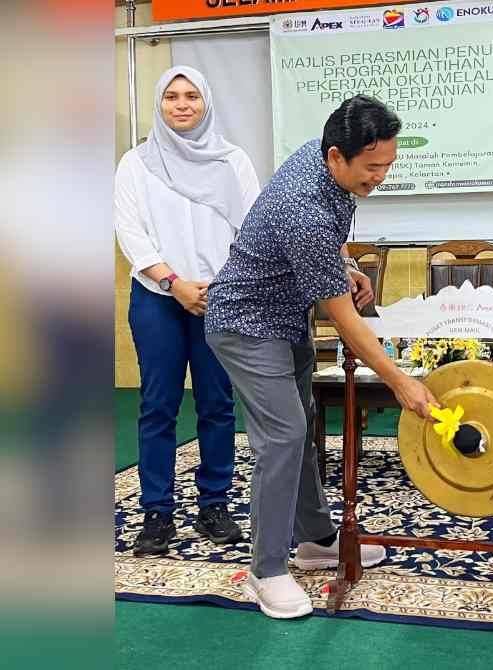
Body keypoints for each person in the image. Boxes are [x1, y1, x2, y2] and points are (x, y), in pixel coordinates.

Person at [205, 95, 438, 619]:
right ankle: (266, 570)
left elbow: (328, 242)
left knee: (303, 426)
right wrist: (400, 381)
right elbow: (346, 321)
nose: (380, 176)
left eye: (388, 165)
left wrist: (344, 267)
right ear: (337, 156)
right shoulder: (303, 207)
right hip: (245, 324)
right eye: (372, 167)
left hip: (286, 317)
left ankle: (315, 540)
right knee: (283, 435)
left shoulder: (322, 156)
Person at [114, 66, 260, 557]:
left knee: (217, 403)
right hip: (158, 297)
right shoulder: (135, 163)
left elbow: (252, 229)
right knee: (158, 405)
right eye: (172, 96)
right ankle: (156, 512)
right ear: (159, 103)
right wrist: (173, 283)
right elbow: (130, 232)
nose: (182, 104)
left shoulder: (232, 161)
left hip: (219, 297)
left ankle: (213, 505)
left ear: (206, 102)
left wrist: (220, 286)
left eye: (192, 96)